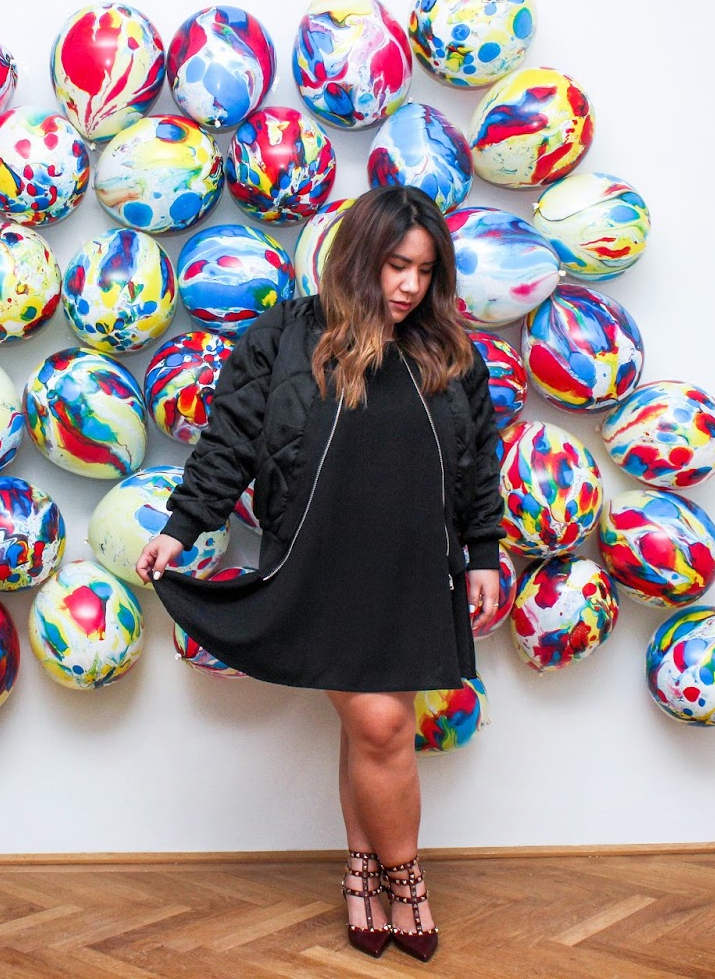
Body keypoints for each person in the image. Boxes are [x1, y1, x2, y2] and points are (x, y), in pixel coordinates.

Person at [135, 184, 505, 963]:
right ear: (360, 258)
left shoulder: (449, 352)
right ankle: (408, 881)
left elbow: (478, 463)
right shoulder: (287, 334)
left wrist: (481, 553)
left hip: (411, 567)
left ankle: (364, 872)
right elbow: (231, 439)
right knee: (382, 725)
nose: (409, 285)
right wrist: (181, 528)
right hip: (318, 560)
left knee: (372, 729)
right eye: (396, 265)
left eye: (425, 271)